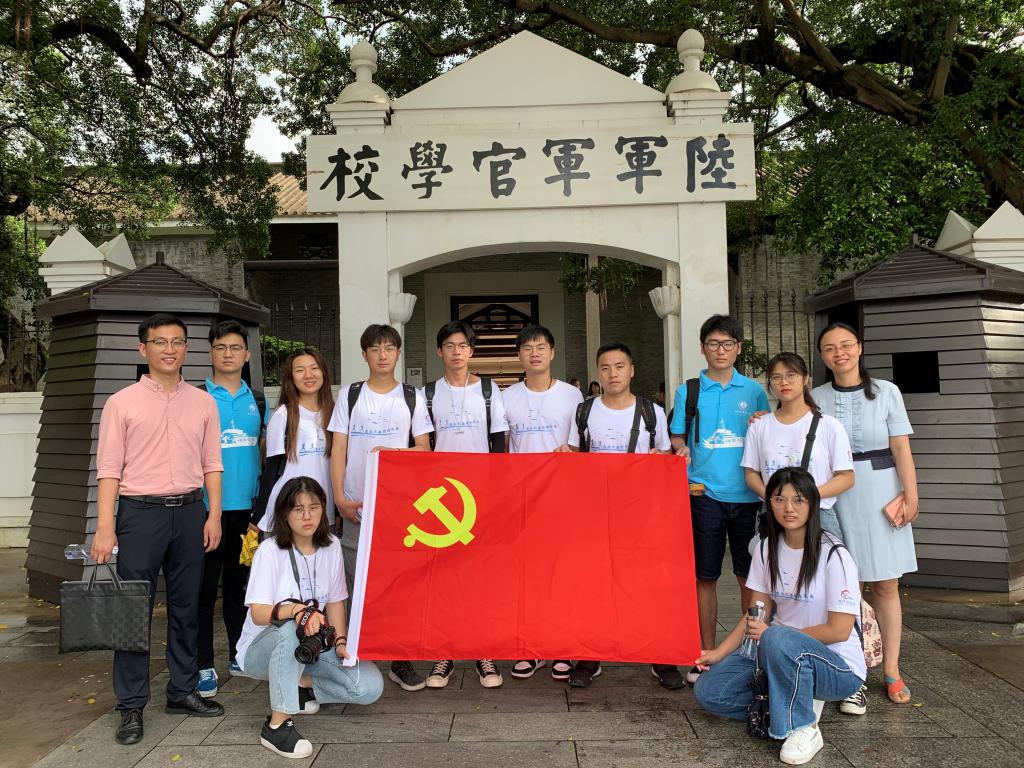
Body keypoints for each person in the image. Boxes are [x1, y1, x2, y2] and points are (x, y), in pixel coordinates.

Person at [91, 312, 226, 746]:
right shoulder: (122, 403)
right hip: (139, 515)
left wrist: (213, 515)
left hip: (189, 513)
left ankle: (182, 690)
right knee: (134, 610)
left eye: (177, 342)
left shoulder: (203, 403)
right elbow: (109, 469)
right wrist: (105, 527)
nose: (170, 349)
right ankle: (131, 705)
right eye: (160, 342)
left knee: (187, 606)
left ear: (186, 349)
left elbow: (212, 463)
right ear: (143, 348)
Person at [693, 467, 866, 766]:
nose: (789, 508)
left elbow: (839, 630)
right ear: (769, 503)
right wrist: (718, 652)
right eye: (779, 499)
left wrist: (777, 636)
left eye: (798, 500)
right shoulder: (766, 549)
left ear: (812, 503)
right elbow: (756, 613)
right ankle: (792, 699)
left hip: (836, 667)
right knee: (710, 692)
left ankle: (804, 726)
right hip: (775, 653)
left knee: (775, 636)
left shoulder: (834, 554)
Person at [237, 476, 383, 758]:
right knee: (291, 627)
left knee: (369, 686)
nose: (307, 516)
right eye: (298, 509)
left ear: (323, 509)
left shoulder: (331, 546)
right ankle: (277, 726)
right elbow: (258, 614)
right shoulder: (270, 550)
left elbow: (337, 601)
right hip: (262, 651)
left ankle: (301, 685)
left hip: (311, 648)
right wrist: (296, 610)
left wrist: (340, 642)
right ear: (284, 514)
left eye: (314, 507)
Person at [815, 322, 919, 712]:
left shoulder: (888, 392)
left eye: (846, 344)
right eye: (830, 348)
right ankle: (851, 673)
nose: (839, 353)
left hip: (881, 490)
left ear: (859, 347)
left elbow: (901, 448)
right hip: (835, 495)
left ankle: (891, 669)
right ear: (823, 356)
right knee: (846, 588)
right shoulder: (816, 397)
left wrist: (911, 494)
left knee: (886, 585)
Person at [329, 324, 432, 692]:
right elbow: (338, 448)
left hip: (399, 507)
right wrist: (339, 497)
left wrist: (393, 453)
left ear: (398, 353)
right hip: (356, 505)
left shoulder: (412, 396)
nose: (383, 355)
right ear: (365, 354)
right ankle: (355, 654)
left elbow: (424, 449)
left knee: (399, 585)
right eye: (375, 348)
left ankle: (399, 659)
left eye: (389, 348)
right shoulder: (350, 395)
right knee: (354, 583)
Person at [669, 314, 770, 687]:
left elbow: (768, 433)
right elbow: (677, 435)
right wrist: (680, 449)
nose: (720, 350)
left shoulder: (754, 391)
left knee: (749, 577)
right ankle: (706, 653)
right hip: (704, 495)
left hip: (748, 497)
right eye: (713, 343)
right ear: (702, 348)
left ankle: (750, 653)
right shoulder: (689, 391)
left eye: (727, 344)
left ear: (738, 348)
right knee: (705, 577)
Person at [572, 342, 678, 689]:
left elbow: (664, 458)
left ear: (632, 370)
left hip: (641, 514)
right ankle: (589, 655)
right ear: (598, 373)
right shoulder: (585, 411)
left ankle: (660, 656)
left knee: (647, 584)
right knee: (593, 585)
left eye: (619, 366)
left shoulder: (651, 412)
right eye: (605, 368)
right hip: (594, 513)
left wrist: (667, 460)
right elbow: (574, 454)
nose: (612, 374)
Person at [422, 321, 509, 689]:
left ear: (472, 351)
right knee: (444, 578)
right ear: (439, 351)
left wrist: (497, 494)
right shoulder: (427, 394)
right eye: (449, 345)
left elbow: (500, 444)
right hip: (441, 500)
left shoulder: (489, 391)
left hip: (480, 498)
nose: (456, 352)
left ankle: (482, 652)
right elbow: (421, 446)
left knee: (481, 579)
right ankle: (445, 652)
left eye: (462, 345)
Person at [503, 324, 583, 682]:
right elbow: (502, 450)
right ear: (519, 355)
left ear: (552, 353)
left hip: (563, 499)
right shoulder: (506, 397)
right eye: (527, 348)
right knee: (525, 576)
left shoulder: (572, 396)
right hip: (521, 500)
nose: (534, 353)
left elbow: (580, 445)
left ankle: (563, 647)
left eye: (540, 347)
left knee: (562, 575)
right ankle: (529, 647)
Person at [197, 320, 269, 697]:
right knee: (203, 589)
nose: (228, 354)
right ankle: (202, 663)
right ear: (211, 352)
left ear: (246, 354)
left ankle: (239, 654)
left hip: (248, 514)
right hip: (206, 511)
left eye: (235, 347)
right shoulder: (196, 397)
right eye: (221, 347)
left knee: (242, 587)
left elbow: (265, 450)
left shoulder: (258, 400)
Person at [741, 353, 854, 539]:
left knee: (822, 558)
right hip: (774, 513)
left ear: (805, 378)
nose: (784, 382)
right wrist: (774, 498)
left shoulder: (829, 425)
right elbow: (751, 473)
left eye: (791, 375)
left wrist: (807, 496)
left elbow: (846, 477)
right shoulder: (759, 426)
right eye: (776, 377)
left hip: (818, 512)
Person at [255, 349, 335, 534]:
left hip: (324, 511)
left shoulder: (335, 412)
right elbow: (271, 470)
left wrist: (338, 511)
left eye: (314, 368)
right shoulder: (284, 415)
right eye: (300, 370)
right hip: (289, 512)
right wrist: (258, 515)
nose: (308, 375)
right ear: (291, 377)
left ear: (323, 372)